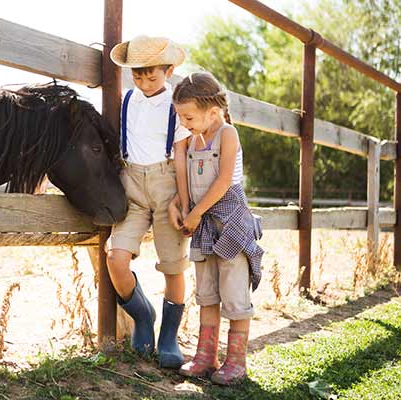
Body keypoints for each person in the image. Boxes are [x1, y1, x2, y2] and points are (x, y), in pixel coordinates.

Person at [169, 71, 263, 385]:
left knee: (234, 295)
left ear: (213, 112)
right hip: (201, 222)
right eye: (180, 116)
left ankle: (236, 361)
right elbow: (182, 176)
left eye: (189, 116)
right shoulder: (188, 139)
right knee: (207, 293)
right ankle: (205, 356)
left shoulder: (226, 134)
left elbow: (223, 181)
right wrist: (185, 208)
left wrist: (195, 212)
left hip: (230, 223)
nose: (184, 122)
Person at [107, 35, 191, 369]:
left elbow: (182, 157)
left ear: (169, 70)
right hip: (132, 187)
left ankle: (169, 335)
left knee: (173, 266)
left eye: (151, 75)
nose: (143, 82)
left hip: (167, 187)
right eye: (137, 75)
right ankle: (143, 315)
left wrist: (183, 200)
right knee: (116, 258)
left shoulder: (176, 104)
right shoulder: (128, 100)